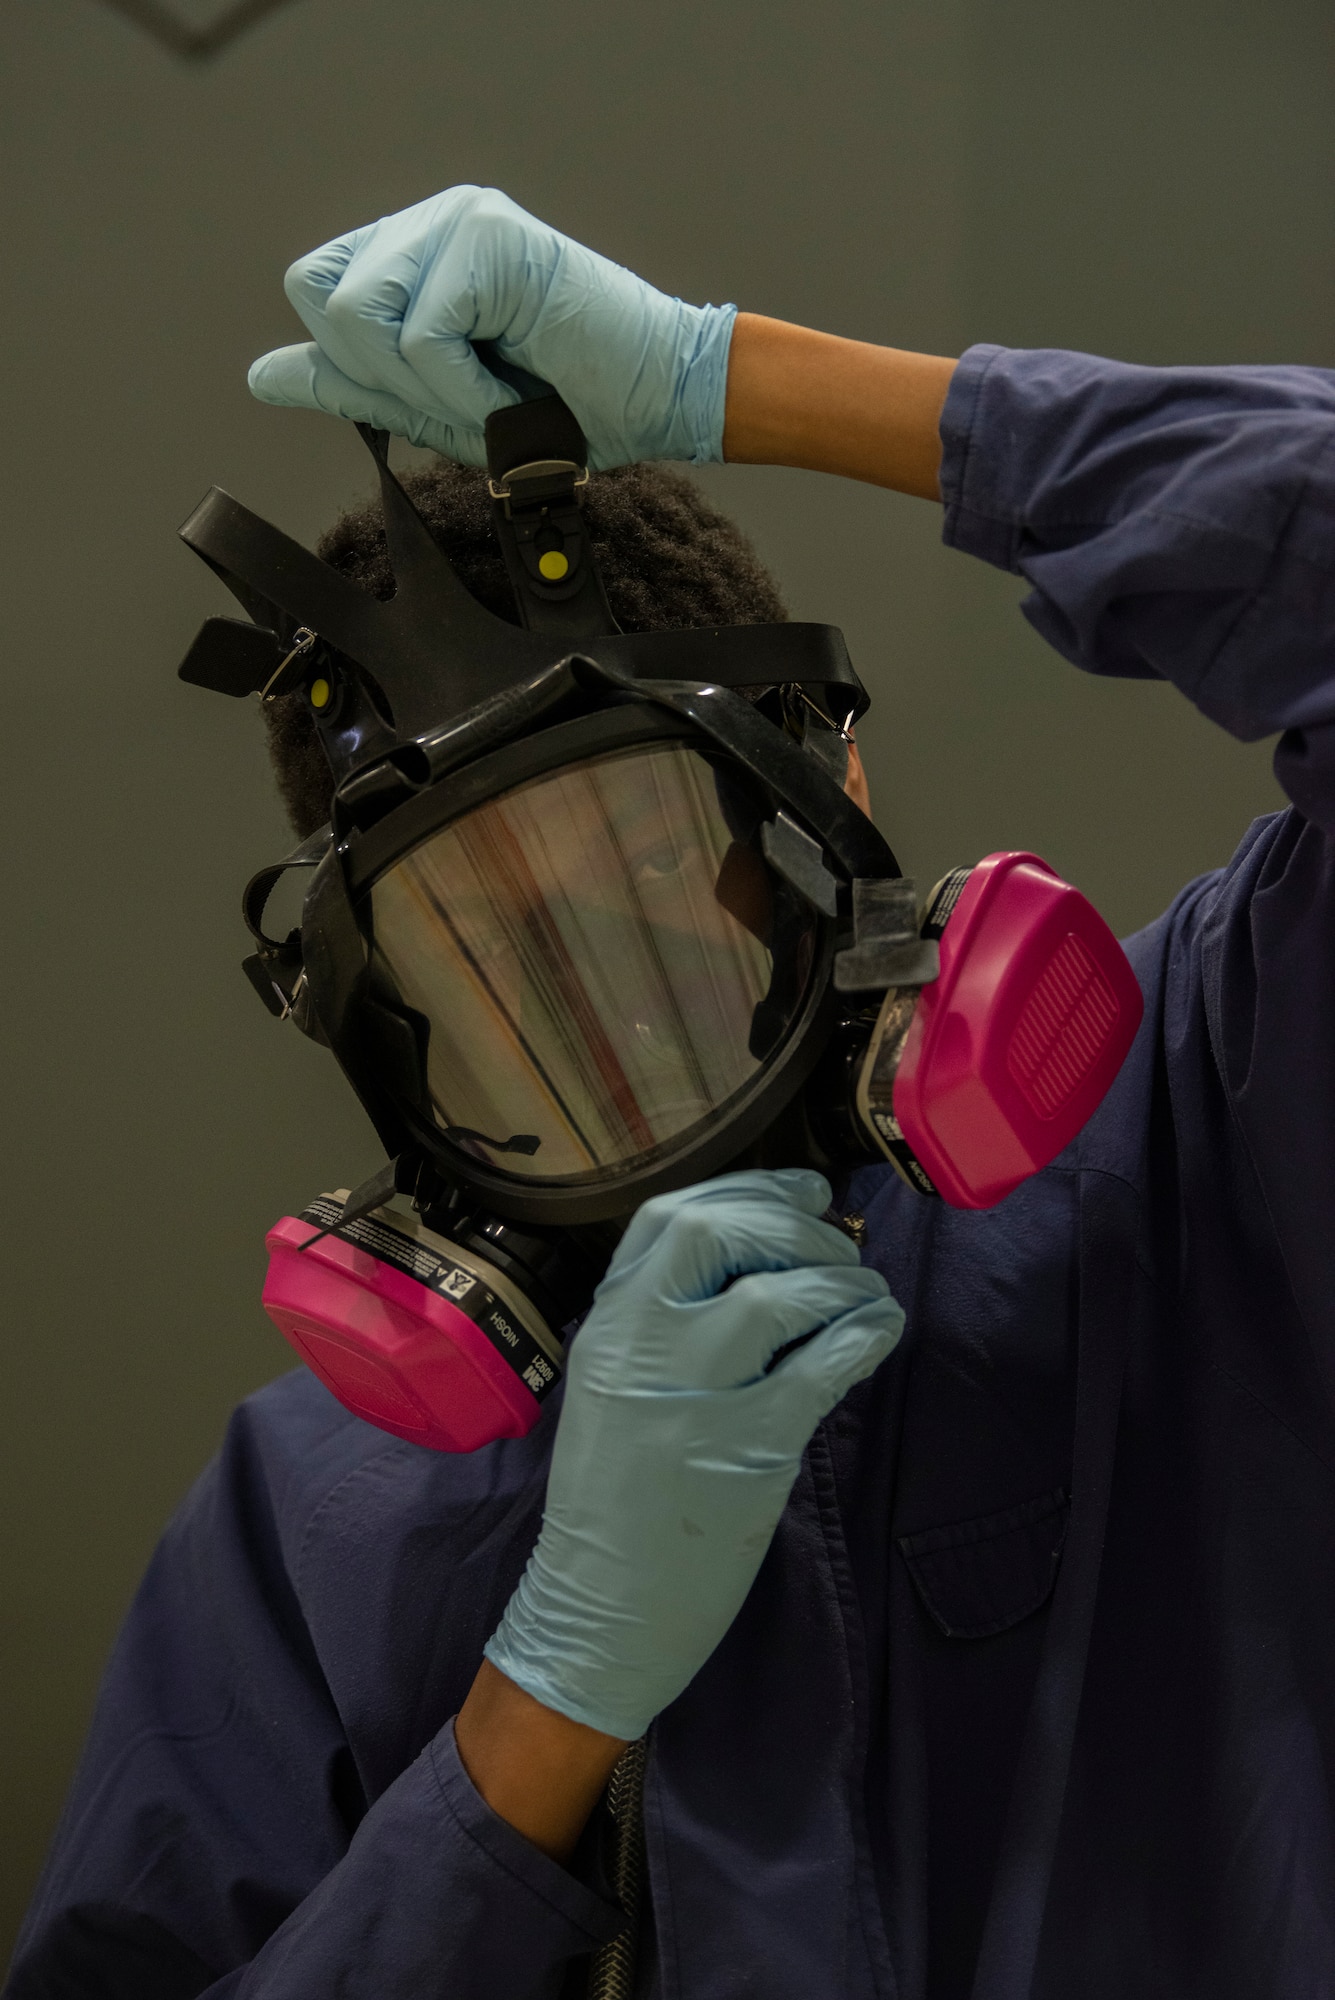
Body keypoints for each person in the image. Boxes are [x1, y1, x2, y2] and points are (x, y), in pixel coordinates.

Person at [8, 185, 1335, 2000]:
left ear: (829, 785)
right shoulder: (316, 1507)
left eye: (645, 855)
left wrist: (749, 381)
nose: (597, 1005)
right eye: (480, 938)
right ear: (368, 1007)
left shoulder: (1200, 1124)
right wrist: (535, 1715)